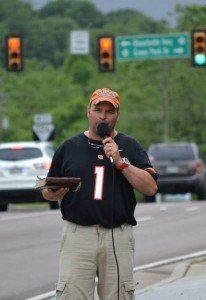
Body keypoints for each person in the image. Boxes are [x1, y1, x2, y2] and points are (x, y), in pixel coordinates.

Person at [42, 87, 158, 300]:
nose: (103, 116)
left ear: (117, 115)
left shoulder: (130, 146)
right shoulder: (69, 148)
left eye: (109, 111)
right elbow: (49, 192)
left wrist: (121, 163)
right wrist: (55, 192)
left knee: (119, 295)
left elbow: (150, 188)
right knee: (71, 295)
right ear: (89, 112)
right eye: (98, 109)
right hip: (78, 235)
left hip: (118, 235)